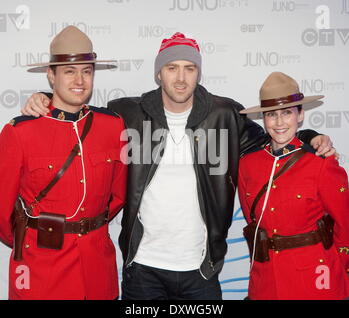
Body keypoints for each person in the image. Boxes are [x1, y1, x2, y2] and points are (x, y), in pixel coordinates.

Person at [21, 33, 335, 300]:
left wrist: (310, 135)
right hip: (143, 268)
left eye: (189, 68)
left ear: (199, 73)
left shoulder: (225, 115)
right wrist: (48, 97)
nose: (181, 78)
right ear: (159, 73)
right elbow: (83, 118)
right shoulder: (128, 113)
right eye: (171, 68)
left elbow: (274, 142)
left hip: (201, 266)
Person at [0, 26, 127, 300]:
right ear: (51, 76)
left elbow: (118, 196)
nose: (79, 80)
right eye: (69, 71)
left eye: (87, 71)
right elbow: (2, 209)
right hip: (41, 269)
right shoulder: (19, 132)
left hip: (98, 268)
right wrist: (31, 237)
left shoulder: (112, 126)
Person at [238, 72, 349, 300]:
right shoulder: (247, 164)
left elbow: (345, 224)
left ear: (300, 115)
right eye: (271, 115)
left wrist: (340, 269)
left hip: (316, 277)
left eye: (287, 112)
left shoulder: (321, 162)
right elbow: (253, 222)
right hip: (265, 278)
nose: (279, 123)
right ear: (263, 118)